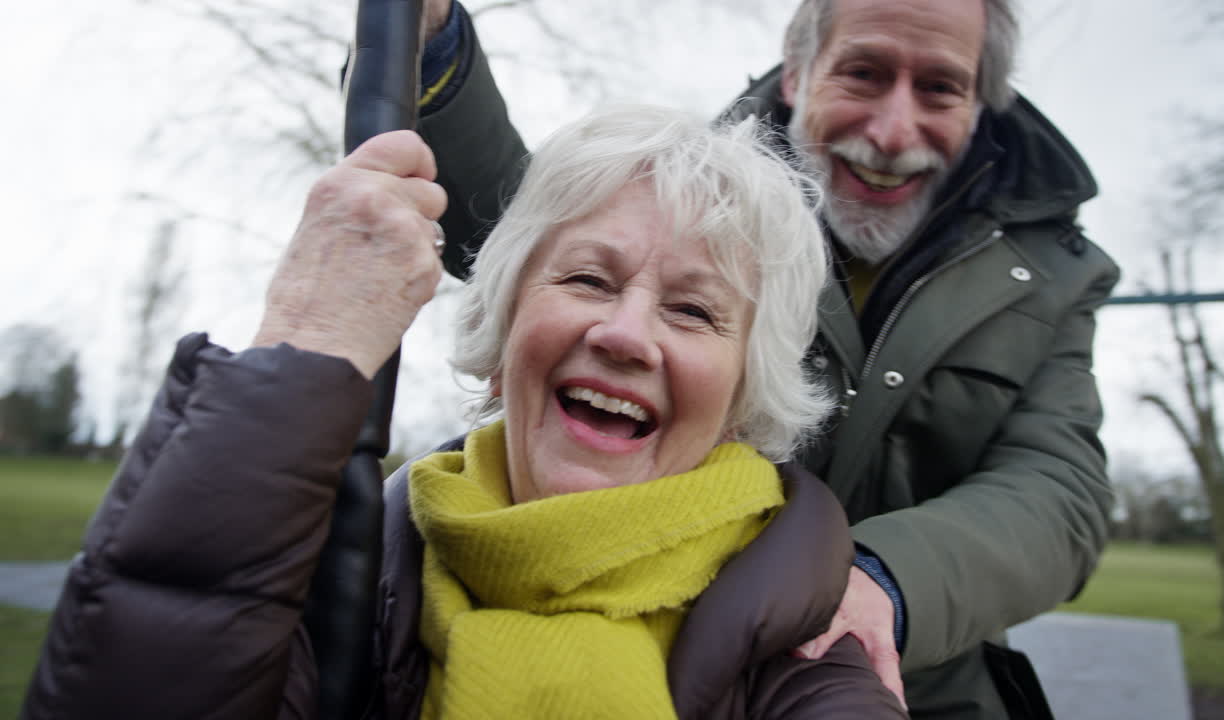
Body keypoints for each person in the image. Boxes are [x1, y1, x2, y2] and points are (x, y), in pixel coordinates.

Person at [22, 107, 910, 720]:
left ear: (742, 395)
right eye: (588, 278)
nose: (625, 333)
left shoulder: (805, 642)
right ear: (504, 326)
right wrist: (307, 339)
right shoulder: (356, 579)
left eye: (693, 310)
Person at [412, 0, 1122, 717]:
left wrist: (882, 581)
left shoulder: (1055, 272)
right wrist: (435, 51)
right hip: (675, 651)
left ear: (980, 102)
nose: (892, 131)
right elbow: (524, 230)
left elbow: (1058, 487)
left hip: (920, 685)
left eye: (940, 87)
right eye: (863, 73)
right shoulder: (710, 197)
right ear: (797, 72)